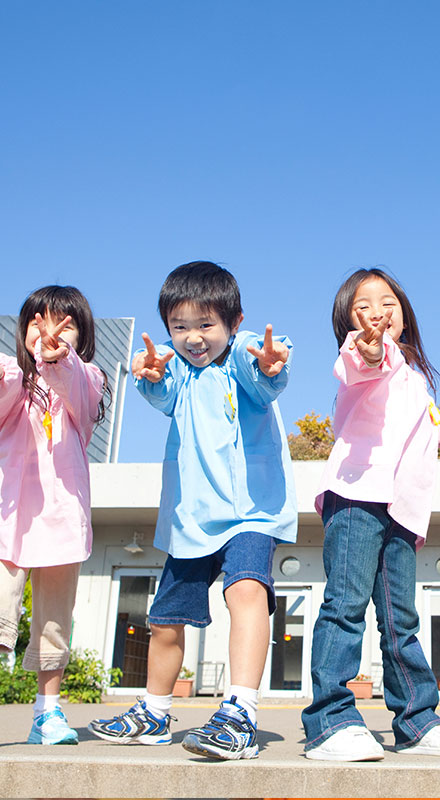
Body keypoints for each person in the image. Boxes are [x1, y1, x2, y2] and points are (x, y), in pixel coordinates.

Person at [89, 261, 296, 760]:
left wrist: (271, 364)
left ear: (233, 321)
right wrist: (151, 378)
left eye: (206, 325)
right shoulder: (177, 369)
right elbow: (161, 395)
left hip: (251, 511)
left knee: (246, 590)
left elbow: (265, 375)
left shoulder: (244, 355)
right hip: (190, 520)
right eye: (179, 327)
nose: (193, 338)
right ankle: (154, 711)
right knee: (164, 619)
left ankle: (240, 710)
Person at [301, 268, 440, 761]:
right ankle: (330, 721)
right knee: (345, 607)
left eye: (388, 302)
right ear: (348, 321)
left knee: (401, 618)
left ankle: (417, 721)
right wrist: (369, 349)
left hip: (401, 508)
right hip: (357, 496)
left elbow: (439, 430)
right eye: (364, 305)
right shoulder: (362, 358)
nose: (378, 312)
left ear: (404, 310)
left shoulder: (415, 375)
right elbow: (360, 362)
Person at [0, 286, 108, 745]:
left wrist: (54, 359)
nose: (49, 330)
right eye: (39, 321)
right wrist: (24, 368)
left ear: (81, 335)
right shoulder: (9, 374)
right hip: (7, 521)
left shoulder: (87, 378)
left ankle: (48, 713)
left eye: (65, 322)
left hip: (61, 523)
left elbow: (75, 387)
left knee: (53, 623)